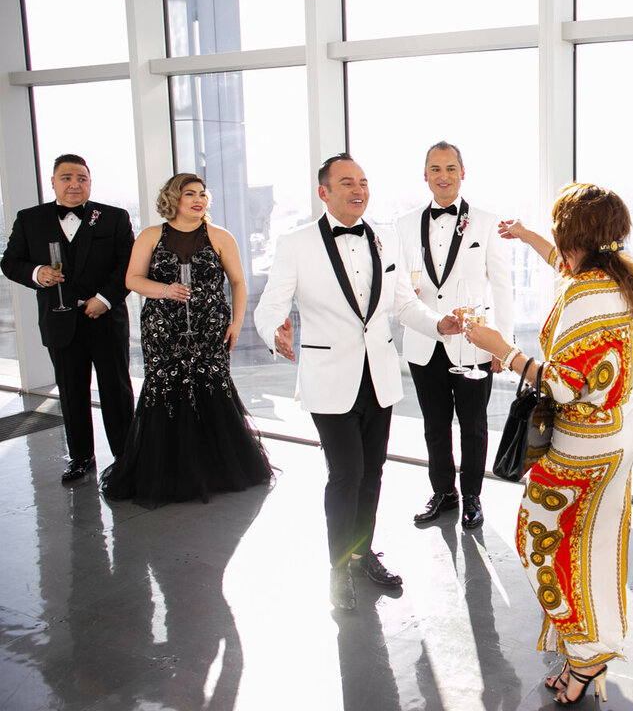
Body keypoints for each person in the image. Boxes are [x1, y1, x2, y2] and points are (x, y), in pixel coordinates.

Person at [464, 183, 633, 706]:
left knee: (538, 542)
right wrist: (526, 238)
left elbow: (561, 386)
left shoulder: (581, 297)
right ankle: (585, 650)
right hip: (619, 432)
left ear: (578, 239)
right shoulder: (621, 278)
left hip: (581, 445)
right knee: (591, 546)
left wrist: (502, 350)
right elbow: (567, 270)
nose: (557, 246)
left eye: (559, 235)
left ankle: (586, 656)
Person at [253, 153, 461, 612]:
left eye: (363, 181)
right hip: (329, 377)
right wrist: (276, 333)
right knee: (345, 474)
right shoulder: (296, 244)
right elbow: (268, 309)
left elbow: (404, 305)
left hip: (379, 376)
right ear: (324, 192)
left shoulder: (387, 238)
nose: (358, 189)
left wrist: (439, 324)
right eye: (347, 182)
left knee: (372, 474)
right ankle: (336, 571)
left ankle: (362, 554)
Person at [100, 173, 273, 506]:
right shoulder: (151, 236)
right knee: (166, 390)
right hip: (163, 328)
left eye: (202, 194)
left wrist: (237, 322)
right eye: (189, 193)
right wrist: (165, 290)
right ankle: (167, 474)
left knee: (212, 387)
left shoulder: (220, 236)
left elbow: (237, 282)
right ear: (173, 199)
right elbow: (133, 279)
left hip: (211, 328)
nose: (198, 199)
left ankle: (218, 471)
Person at [398, 141, 513, 530]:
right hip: (425, 340)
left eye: (450, 168)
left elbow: (502, 288)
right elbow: (400, 282)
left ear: (463, 173)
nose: (443, 176)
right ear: (425, 175)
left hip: (475, 344)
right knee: (434, 425)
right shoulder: (404, 223)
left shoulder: (485, 222)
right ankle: (444, 493)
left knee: (474, 426)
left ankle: (473, 497)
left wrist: (505, 345)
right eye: (435, 169)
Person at [1, 153, 135, 484]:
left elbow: (129, 267)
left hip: (105, 317)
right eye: (66, 178)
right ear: (53, 181)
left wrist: (103, 300)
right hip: (59, 319)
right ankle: (80, 458)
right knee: (71, 390)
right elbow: (10, 262)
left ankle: (127, 456)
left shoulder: (114, 218)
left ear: (90, 182)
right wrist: (37, 272)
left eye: (81, 178)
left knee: (115, 389)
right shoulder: (30, 219)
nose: (74, 184)